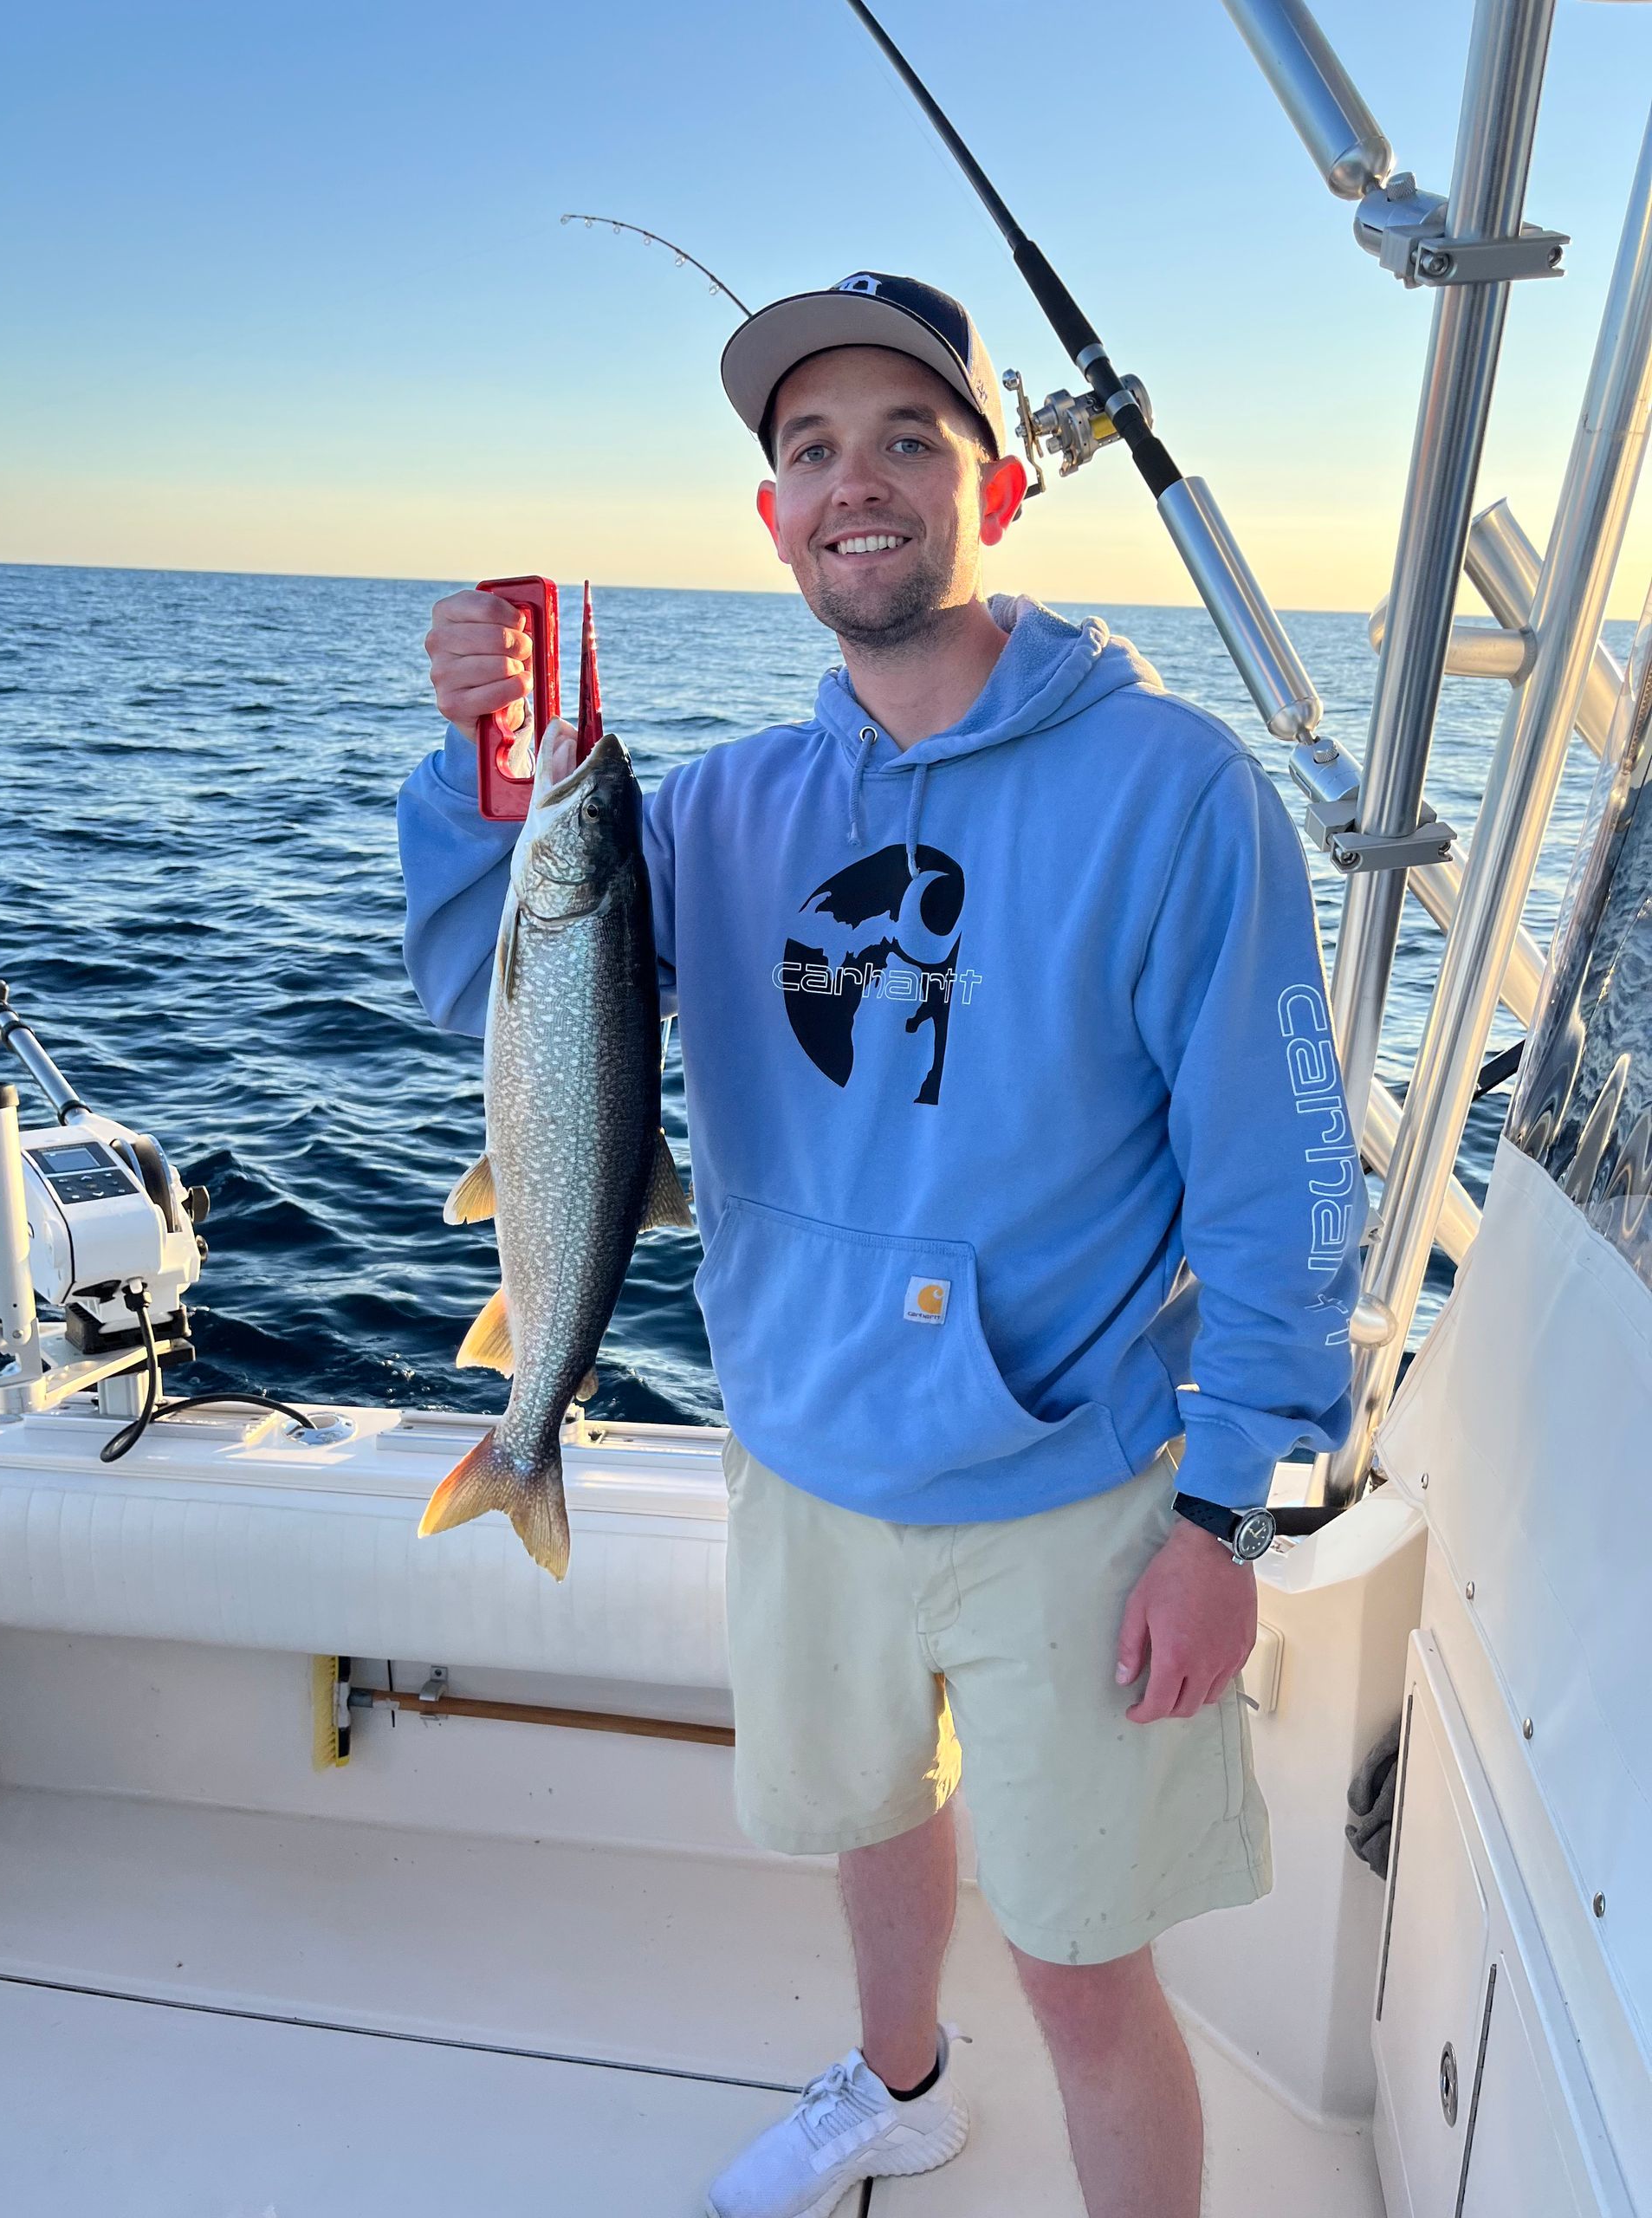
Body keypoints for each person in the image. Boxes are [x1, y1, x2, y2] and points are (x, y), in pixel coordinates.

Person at [396, 271, 1366, 2218]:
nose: (859, 483)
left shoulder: (1177, 795)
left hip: (1071, 1492)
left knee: (1088, 1962)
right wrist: (482, 763)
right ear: (771, 518)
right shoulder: (726, 804)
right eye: (811, 449)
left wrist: (1224, 1515)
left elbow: (1286, 1177)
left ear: (993, 487)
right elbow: (485, 984)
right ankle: (899, 2082)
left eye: (909, 438)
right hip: (807, 1448)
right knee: (865, 1820)